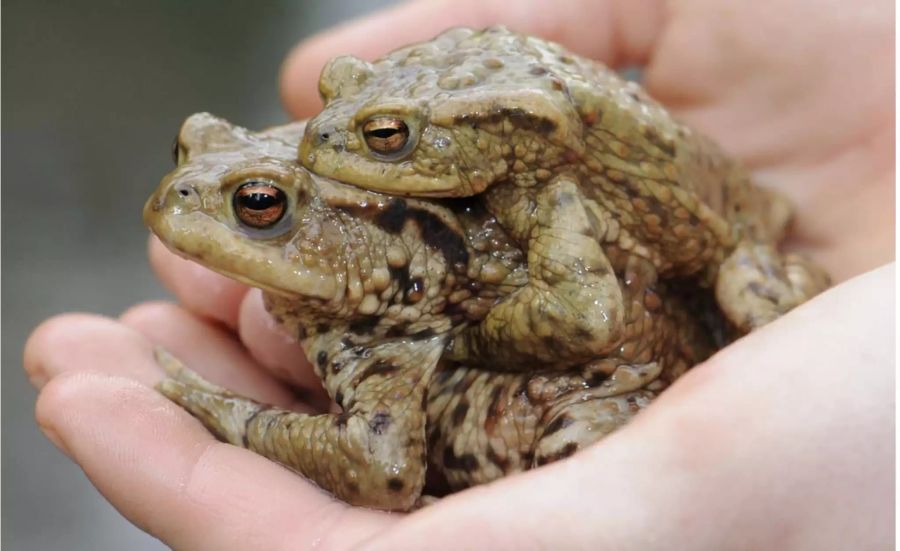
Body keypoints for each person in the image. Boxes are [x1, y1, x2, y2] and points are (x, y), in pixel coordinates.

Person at [24, 0, 894, 548]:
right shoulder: (424, 251)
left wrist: (234, 417)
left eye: (257, 204)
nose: (182, 200)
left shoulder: (485, 240)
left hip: (628, 372)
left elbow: (382, 466)